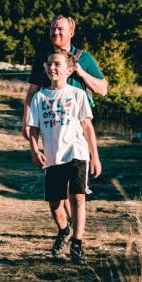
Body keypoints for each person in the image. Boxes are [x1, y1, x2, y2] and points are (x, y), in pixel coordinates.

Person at [24, 50, 102, 265]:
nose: (52, 68)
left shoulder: (77, 95)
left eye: (57, 64)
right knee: (55, 204)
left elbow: (87, 126)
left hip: (77, 153)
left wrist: (94, 156)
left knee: (77, 197)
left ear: (69, 70)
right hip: (52, 156)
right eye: (49, 64)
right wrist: (34, 149)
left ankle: (77, 244)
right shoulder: (39, 97)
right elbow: (33, 128)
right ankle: (64, 230)